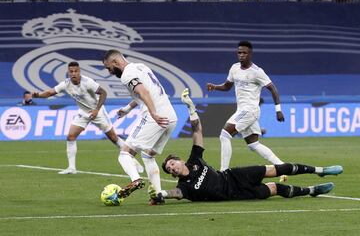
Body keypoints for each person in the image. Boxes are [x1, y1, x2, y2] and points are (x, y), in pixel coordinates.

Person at [148, 89, 343, 203]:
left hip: (234, 176)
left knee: (276, 169)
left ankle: (320, 170)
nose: (172, 166)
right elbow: (176, 194)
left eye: (172, 163)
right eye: (169, 169)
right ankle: (312, 190)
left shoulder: (194, 160)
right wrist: (162, 194)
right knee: (276, 189)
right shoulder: (185, 187)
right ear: (173, 174)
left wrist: (191, 108)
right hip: (236, 194)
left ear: (179, 161)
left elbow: (197, 132)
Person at [32, 61, 143, 174]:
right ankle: (72, 168)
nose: (73, 73)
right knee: (70, 136)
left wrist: (96, 110)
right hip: (84, 113)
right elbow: (50, 92)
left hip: (98, 113)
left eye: (76, 71)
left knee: (113, 138)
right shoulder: (66, 84)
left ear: (79, 71)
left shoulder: (88, 82)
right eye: (71, 71)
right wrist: (38, 95)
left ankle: (133, 160)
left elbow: (103, 93)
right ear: (68, 72)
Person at [206, 41, 286, 182]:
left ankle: (223, 172)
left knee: (224, 134)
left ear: (250, 54)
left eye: (244, 53)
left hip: (250, 110)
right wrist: (215, 87)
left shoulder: (257, 72)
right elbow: (227, 86)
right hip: (242, 110)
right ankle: (282, 166)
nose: (241, 55)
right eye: (239, 52)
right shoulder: (234, 68)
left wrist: (278, 110)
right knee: (253, 144)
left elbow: (273, 88)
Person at [103, 50, 177, 200]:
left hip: (154, 117)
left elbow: (143, 93)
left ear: (116, 62)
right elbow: (143, 92)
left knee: (125, 154)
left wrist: (154, 114)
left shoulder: (127, 75)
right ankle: (157, 195)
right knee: (148, 156)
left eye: (108, 67)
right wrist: (127, 109)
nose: (109, 71)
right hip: (171, 117)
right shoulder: (141, 67)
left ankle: (135, 180)